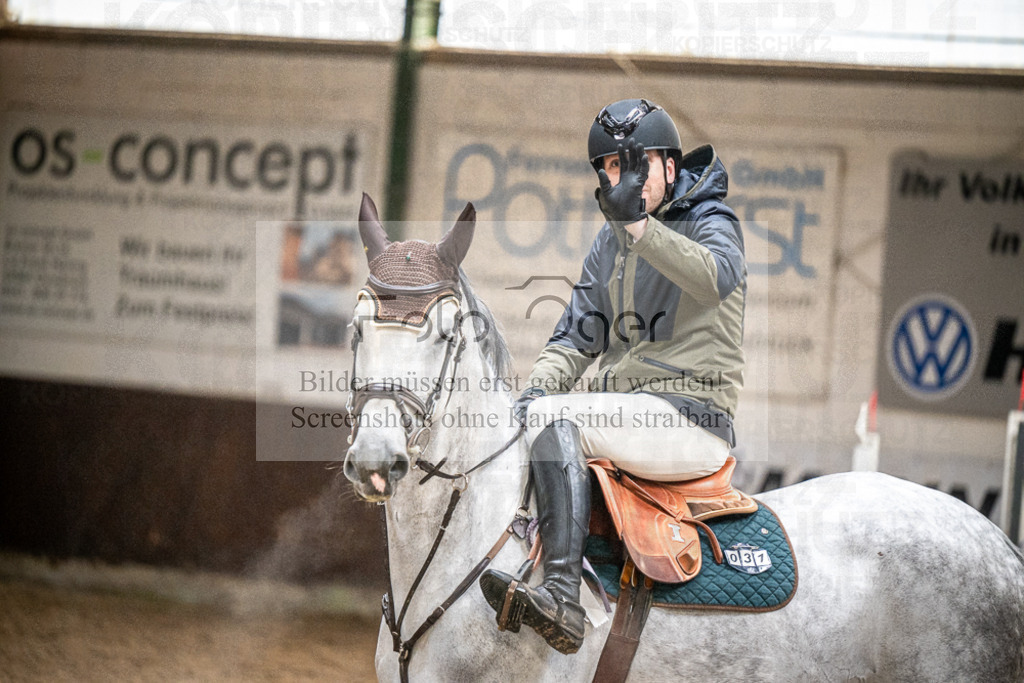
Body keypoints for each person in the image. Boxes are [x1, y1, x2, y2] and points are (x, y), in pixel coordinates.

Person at [479, 98, 746, 655]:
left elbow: (715, 278)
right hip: (632, 415)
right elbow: (576, 336)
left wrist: (641, 229)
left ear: (670, 166)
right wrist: (533, 393)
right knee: (529, 419)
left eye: (634, 165)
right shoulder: (610, 242)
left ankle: (563, 599)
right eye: (611, 168)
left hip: (690, 417)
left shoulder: (712, 220)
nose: (622, 179)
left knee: (555, 420)